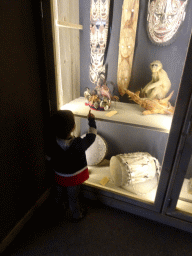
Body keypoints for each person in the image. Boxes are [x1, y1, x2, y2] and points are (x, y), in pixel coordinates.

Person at [47, 109, 97, 221]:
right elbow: (92, 136)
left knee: (58, 194)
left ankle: (58, 209)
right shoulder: (78, 143)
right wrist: (91, 121)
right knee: (73, 197)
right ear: (74, 127)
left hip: (59, 174)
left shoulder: (51, 143)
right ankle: (76, 214)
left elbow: (49, 158)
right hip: (73, 178)